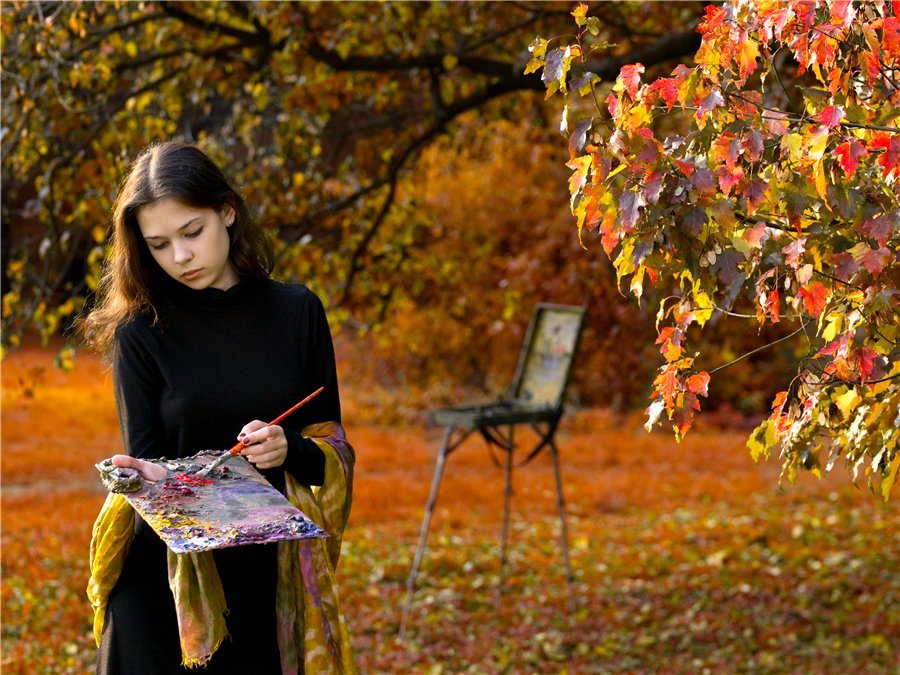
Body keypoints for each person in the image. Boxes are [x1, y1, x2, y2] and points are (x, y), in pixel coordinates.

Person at [80, 140, 356, 674]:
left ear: (227, 211)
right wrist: (144, 475)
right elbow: (151, 463)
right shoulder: (140, 332)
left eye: (192, 233)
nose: (179, 258)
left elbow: (333, 455)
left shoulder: (297, 312)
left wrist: (288, 447)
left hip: (264, 577)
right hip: (168, 581)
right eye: (158, 244)